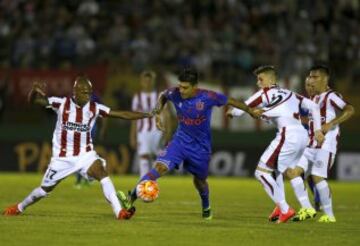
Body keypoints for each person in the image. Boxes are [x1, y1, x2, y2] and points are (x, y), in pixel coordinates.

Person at [117, 67, 261, 220]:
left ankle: (206, 206)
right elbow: (163, 96)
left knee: (200, 181)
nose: (182, 90)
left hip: (200, 148)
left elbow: (230, 101)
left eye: (185, 88)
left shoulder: (208, 96)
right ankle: (131, 198)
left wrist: (250, 111)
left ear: (195, 87)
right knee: (159, 167)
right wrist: (157, 112)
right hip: (179, 142)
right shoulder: (174, 93)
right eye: (180, 86)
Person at [3, 76, 153, 220]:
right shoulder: (61, 104)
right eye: (85, 92)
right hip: (62, 158)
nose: (88, 96)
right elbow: (34, 101)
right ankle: (19, 207)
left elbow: (122, 114)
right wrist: (34, 91)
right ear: (75, 92)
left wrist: (148, 115)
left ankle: (119, 212)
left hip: (85, 154)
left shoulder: (94, 108)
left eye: (90, 92)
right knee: (43, 190)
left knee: (102, 174)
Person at [227, 65, 324, 223]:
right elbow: (314, 106)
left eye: (261, 79)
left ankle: (285, 209)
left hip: (288, 134)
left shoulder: (265, 93)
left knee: (261, 172)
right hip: (302, 135)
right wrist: (318, 130)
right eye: (257, 80)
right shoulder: (290, 93)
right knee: (282, 171)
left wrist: (232, 112)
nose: (258, 83)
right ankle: (300, 207)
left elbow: (245, 106)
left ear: (271, 79)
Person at [288, 65, 355, 222]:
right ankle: (307, 208)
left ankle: (329, 215)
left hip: (326, 145)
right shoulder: (313, 99)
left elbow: (350, 109)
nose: (311, 79)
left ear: (325, 79)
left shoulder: (332, 96)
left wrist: (331, 123)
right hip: (310, 145)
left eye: (315, 77)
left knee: (317, 177)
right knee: (292, 172)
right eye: (310, 76)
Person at [129, 70, 164, 177]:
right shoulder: (137, 97)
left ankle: (153, 182)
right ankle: (144, 183)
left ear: (153, 81)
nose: (147, 83)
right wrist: (132, 136)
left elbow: (166, 114)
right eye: (145, 81)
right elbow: (134, 117)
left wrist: (167, 131)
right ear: (141, 82)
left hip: (157, 131)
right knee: (143, 156)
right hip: (142, 131)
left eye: (150, 81)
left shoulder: (160, 96)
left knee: (155, 157)